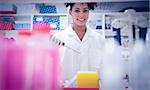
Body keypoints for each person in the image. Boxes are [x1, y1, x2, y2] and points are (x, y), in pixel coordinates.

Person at [51, 2, 104, 86]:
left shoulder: (99, 39)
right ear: (70, 12)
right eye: (77, 10)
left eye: (85, 10)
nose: (81, 15)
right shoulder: (58, 38)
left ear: (89, 12)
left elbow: (103, 71)